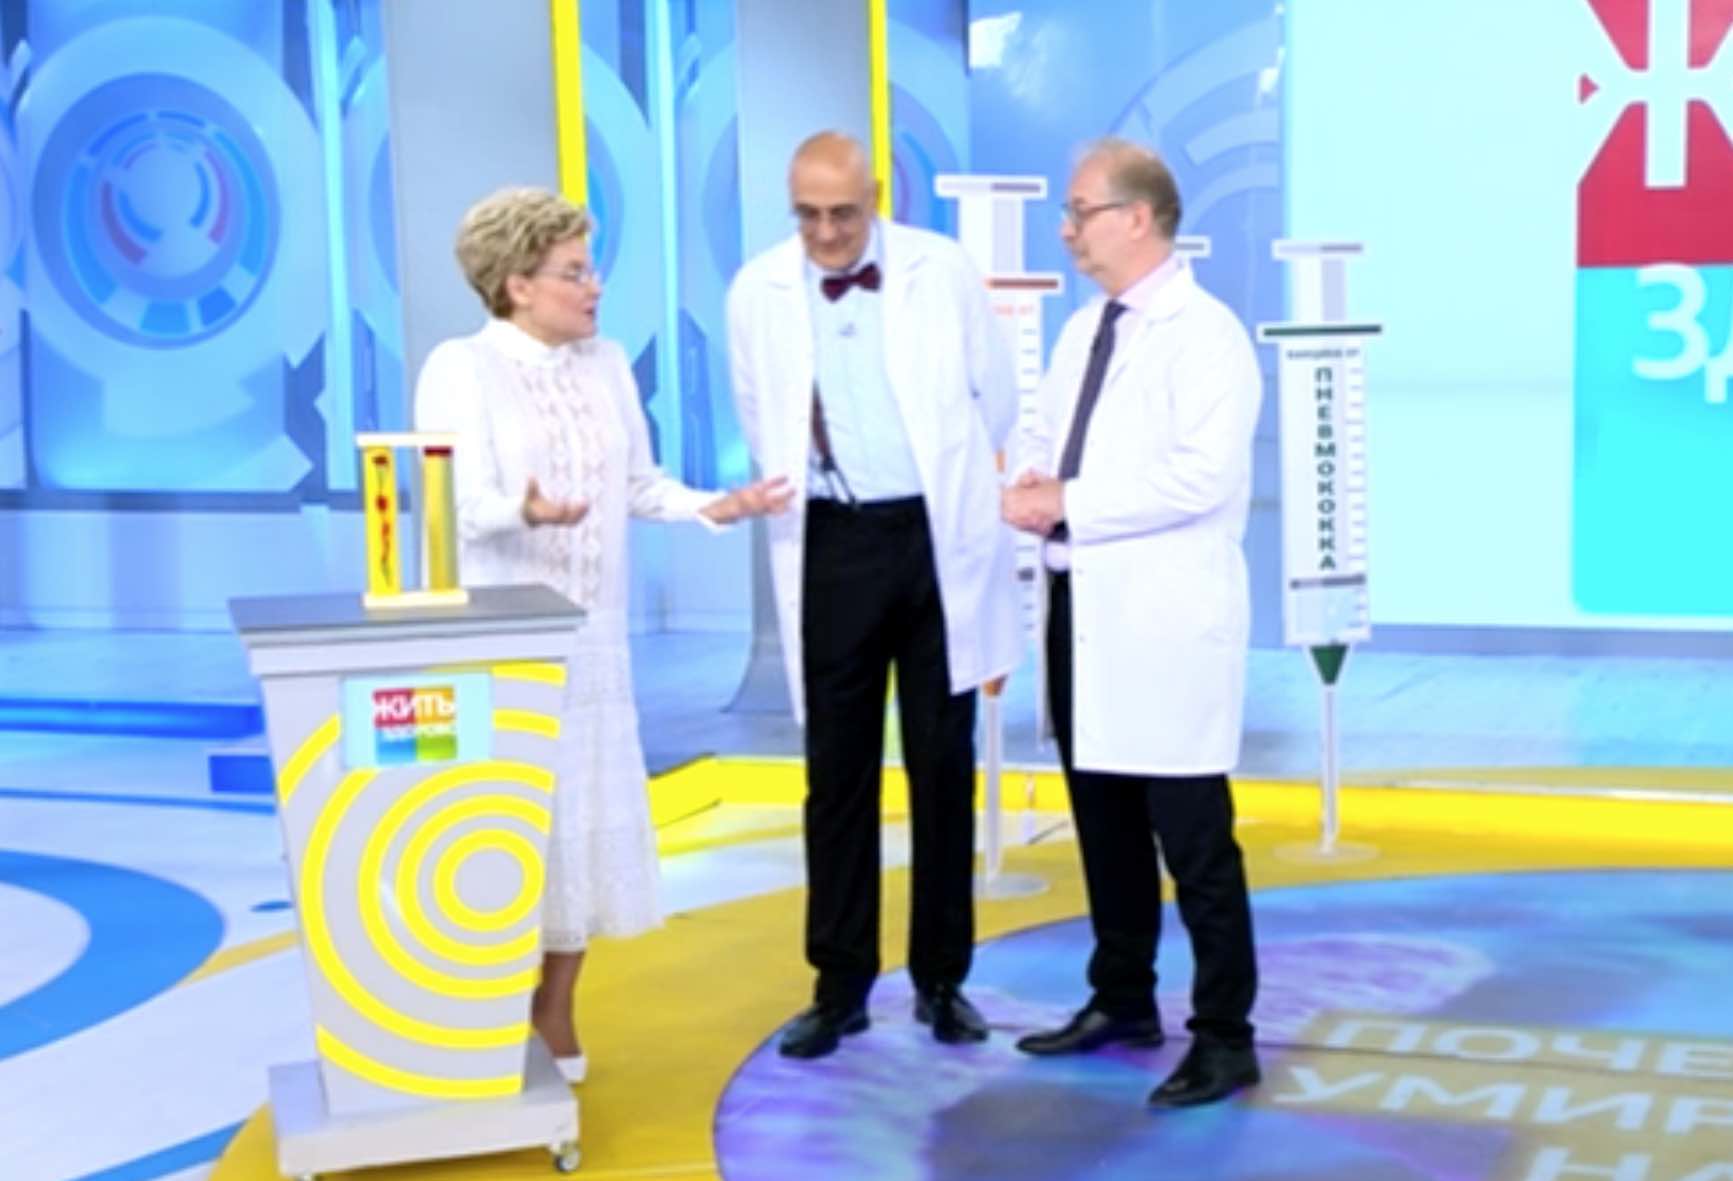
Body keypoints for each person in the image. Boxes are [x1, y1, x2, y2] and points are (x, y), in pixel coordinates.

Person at [415, 187, 791, 1084]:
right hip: (501, 639)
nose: (595, 286)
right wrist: (524, 510)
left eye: (592, 267)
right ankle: (478, 1010)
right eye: (574, 271)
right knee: (505, 826)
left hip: (592, 642)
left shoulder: (606, 363)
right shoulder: (460, 368)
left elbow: (639, 483)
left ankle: (555, 1009)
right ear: (516, 285)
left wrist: (716, 505)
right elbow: (453, 504)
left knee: (578, 825)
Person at [726, 131, 1021, 1059]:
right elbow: (759, 415)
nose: (825, 234)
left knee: (942, 764)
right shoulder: (756, 290)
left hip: (935, 539)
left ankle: (941, 979)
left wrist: (951, 491)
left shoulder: (943, 269)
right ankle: (838, 983)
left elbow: (995, 398)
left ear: (878, 196)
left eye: (842, 215)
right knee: (836, 773)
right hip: (832, 540)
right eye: (807, 215)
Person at [1001, 138, 1262, 1107]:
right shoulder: (1083, 330)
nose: (1067, 230)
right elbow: (1046, 435)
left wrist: (1065, 498)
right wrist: (1029, 479)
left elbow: (1200, 476)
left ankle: (1224, 1033)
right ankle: (1121, 996)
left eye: (1081, 211)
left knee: (1192, 839)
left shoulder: (1206, 336)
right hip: (1081, 606)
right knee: (1102, 822)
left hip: (1163, 616)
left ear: (1139, 217)